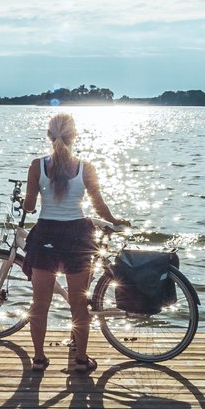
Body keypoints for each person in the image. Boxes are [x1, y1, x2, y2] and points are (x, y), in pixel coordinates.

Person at [21, 111, 126, 375]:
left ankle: (39, 359)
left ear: (48, 136)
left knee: (39, 303)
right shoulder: (85, 168)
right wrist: (115, 219)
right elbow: (99, 206)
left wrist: (25, 200)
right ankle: (80, 360)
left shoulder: (37, 166)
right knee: (78, 303)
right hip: (78, 237)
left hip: (45, 236)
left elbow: (31, 206)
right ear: (74, 136)